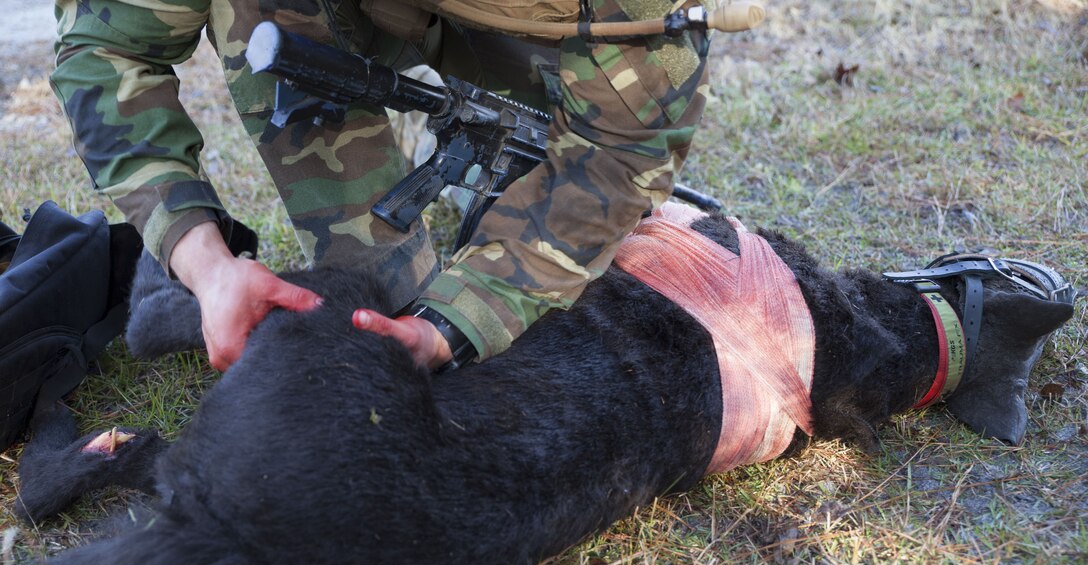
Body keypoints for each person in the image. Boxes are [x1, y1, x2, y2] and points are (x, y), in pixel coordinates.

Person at [52, 0, 710, 371]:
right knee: (387, 315)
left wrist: (460, 321)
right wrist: (205, 263)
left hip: (540, 32)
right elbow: (104, 50)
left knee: (567, 240)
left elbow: (622, 150)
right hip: (340, 16)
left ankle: (506, 138)